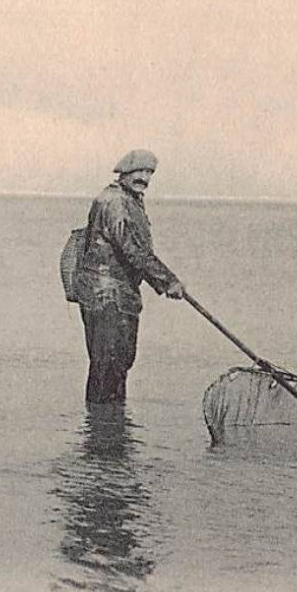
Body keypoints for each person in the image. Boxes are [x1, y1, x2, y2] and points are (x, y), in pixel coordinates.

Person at [72, 149, 184, 404]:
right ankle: (103, 433)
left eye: (149, 173)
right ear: (125, 172)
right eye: (140, 172)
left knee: (118, 364)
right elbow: (133, 249)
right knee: (108, 366)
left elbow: (136, 253)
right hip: (106, 295)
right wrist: (168, 281)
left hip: (118, 294)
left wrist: (162, 281)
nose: (144, 178)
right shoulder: (115, 202)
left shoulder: (129, 199)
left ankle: (110, 431)